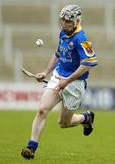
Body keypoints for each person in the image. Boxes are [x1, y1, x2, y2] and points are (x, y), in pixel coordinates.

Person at [21, 4, 98, 159]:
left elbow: (87, 64)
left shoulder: (81, 39)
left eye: (68, 21)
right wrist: (46, 72)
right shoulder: (63, 33)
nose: (64, 24)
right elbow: (58, 55)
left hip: (75, 84)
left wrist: (68, 81)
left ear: (77, 21)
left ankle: (86, 118)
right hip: (58, 77)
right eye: (63, 20)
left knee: (64, 123)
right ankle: (31, 147)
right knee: (42, 109)